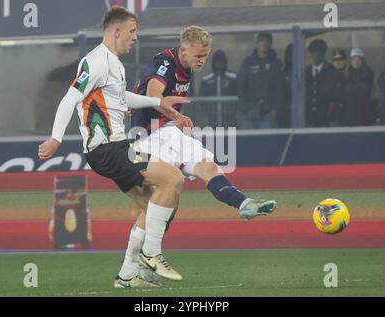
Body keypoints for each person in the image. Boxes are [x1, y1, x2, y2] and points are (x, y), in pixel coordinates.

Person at [38, 6, 192, 288]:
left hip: (116, 147)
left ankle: (128, 274)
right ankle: (152, 254)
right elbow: (69, 98)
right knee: (174, 178)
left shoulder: (115, 64)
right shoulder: (95, 61)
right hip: (108, 149)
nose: (135, 37)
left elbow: (123, 99)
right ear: (116, 31)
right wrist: (56, 138)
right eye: (132, 31)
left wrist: (160, 102)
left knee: (158, 205)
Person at [131, 26, 277, 275]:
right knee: (159, 207)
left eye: (206, 55)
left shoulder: (186, 66)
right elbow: (155, 94)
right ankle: (134, 268)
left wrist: (176, 119)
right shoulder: (164, 61)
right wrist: (176, 115)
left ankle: (244, 205)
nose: (203, 60)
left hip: (170, 132)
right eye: (199, 55)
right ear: (184, 50)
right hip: (150, 136)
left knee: (207, 166)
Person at [237, 33, 285, 129]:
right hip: (250, 113)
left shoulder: (276, 63)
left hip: (269, 114)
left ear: (270, 43)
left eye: (267, 41)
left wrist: (276, 110)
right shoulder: (248, 63)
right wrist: (243, 109)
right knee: (250, 142)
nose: (264, 44)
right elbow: (241, 87)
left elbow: (280, 89)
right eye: (262, 41)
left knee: (268, 143)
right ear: (257, 43)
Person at [305, 39, 342, 127]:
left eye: (320, 51)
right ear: (310, 53)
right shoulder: (305, 71)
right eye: (314, 52)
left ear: (324, 53)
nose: (317, 55)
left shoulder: (332, 71)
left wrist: (329, 113)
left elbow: (335, 96)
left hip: (326, 119)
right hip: (309, 118)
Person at [198, 49, 238, 127]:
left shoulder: (233, 78)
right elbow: (201, 99)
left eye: (221, 61)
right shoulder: (206, 80)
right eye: (217, 61)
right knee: (214, 139)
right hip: (212, 121)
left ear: (225, 62)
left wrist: (234, 112)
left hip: (230, 121)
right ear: (213, 63)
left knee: (230, 139)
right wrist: (208, 112)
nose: (219, 63)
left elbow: (240, 94)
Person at [343, 48, 375, 126]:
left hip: (364, 113)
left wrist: (350, 88)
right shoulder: (345, 73)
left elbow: (364, 89)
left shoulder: (369, 73)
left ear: (363, 61)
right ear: (350, 61)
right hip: (349, 113)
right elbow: (342, 89)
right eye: (354, 59)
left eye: (358, 59)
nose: (356, 62)